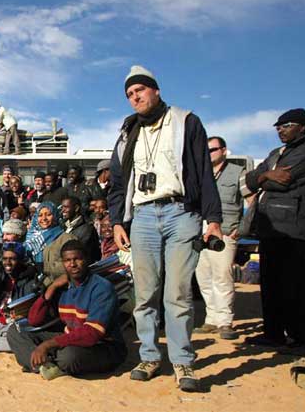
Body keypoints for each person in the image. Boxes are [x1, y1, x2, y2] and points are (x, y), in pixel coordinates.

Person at [108, 65, 222, 392]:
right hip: (142, 215)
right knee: (144, 292)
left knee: (178, 292)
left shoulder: (186, 121)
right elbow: (118, 183)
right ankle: (149, 355)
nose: (135, 98)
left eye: (139, 90)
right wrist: (118, 221)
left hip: (181, 211)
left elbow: (203, 171)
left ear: (155, 90)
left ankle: (183, 360)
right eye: (129, 94)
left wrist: (212, 218)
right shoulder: (128, 132)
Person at [243, 108, 305, 356]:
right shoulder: (276, 154)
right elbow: (251, 180)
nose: (280, 129)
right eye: (278, 126)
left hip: (293, 228)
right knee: (271, 285)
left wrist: (263, 178)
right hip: (271, 227)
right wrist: (265, 175)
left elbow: (280, 182)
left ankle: (302, 339)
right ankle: (274, 334)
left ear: (302, 127)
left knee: (295, 286)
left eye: (286, 125)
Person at [7, 240, 127, 380]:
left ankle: (43, 364)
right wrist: (51, 288)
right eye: (67, 260)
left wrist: (47, 345)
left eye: (77, 259)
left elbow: (92, 333)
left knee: (69, 356)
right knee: (15, 332)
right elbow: (35, 320)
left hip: (102, 346)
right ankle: (45, 366)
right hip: (71, 336)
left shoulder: (101, 288)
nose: (72, 264)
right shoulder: (64, 287)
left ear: (86, 259)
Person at [194, 136, 243, 340]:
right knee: (203, 277)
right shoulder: (199, 175)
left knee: (223, 276)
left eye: (212, 150)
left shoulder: (238, 173)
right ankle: (211, 319)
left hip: (224, 231)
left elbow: (252, 200)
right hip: (199, 231)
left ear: (224, 150)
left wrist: (243, 228)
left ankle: (225, 322)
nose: (208, 154)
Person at [25, 202, 77, 281]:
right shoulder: (30, 237)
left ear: (55, 216)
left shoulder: (67, 238)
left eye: (48, 215)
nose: (44, 218)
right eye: (40, 215)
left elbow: (71, 266)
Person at [61, 196, 101, 262]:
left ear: (76, 208)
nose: (63, 210)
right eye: (62, 207)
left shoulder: (87, 229)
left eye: (66, 207)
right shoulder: (63, 226)